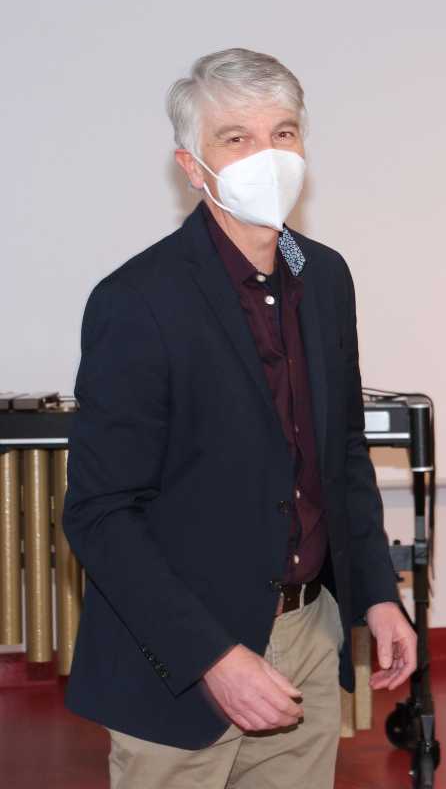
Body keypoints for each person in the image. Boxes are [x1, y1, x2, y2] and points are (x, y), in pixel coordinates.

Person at [62, 48, 417, 788]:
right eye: (237, 138)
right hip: (182, 665)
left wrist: (379, 595)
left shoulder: (325, 277)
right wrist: (212, 658)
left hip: (308, 635)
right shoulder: (137, 300)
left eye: (283, 133)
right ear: (192, 167)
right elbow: (100, 514)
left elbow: (343, 455)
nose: (268, 156)